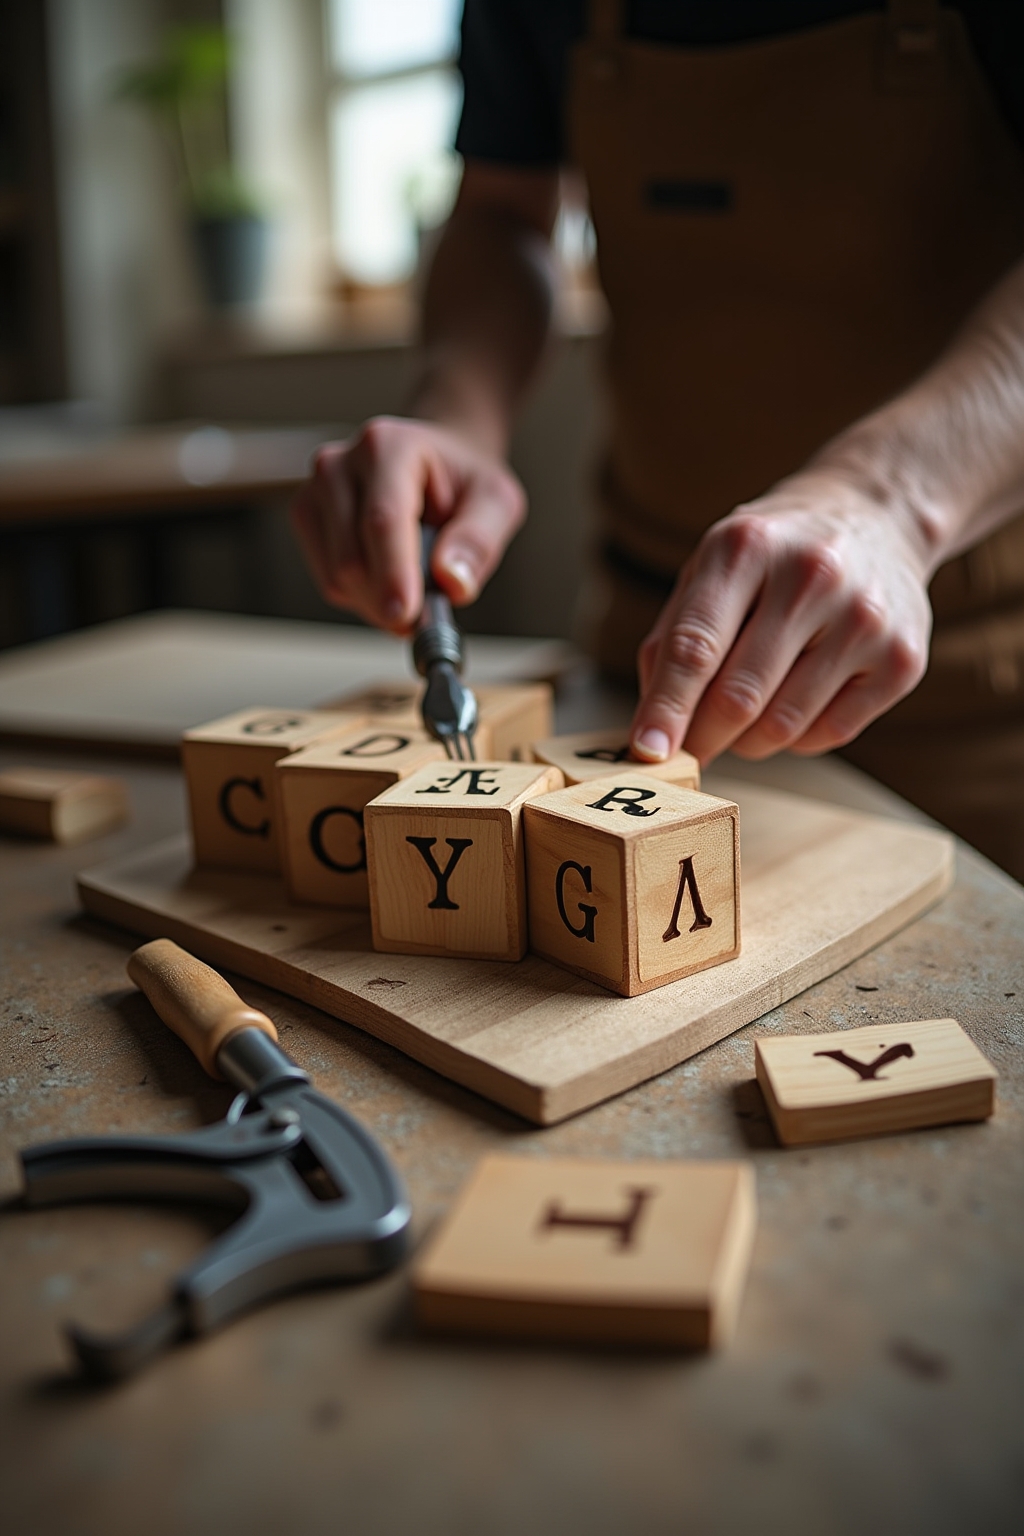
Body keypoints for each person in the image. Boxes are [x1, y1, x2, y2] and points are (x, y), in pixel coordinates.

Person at [291, 0, 1024, 879]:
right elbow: (502, 209)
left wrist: (890, 499)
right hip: (648, 653)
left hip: (984, 683)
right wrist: (457, 415)